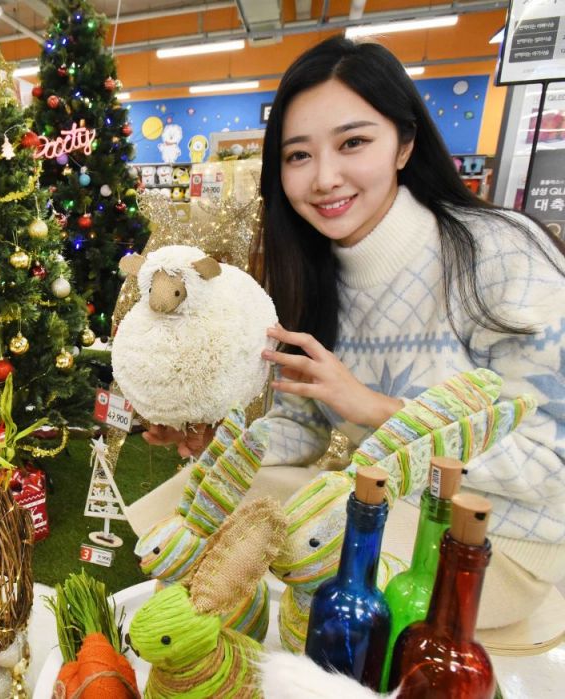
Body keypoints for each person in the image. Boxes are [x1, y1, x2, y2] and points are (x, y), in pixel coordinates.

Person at [145, 36, 565, 629]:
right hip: (379, 503)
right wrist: (218, 439)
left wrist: (375, 409)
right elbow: (304, 426)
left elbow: (552, 458)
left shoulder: (496, 253)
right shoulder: (313, 271)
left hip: (493, 542)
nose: (324, 178)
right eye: (298, 155)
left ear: (405, 144)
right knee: (188, 514)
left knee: (276, 558)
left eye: (353, 143)